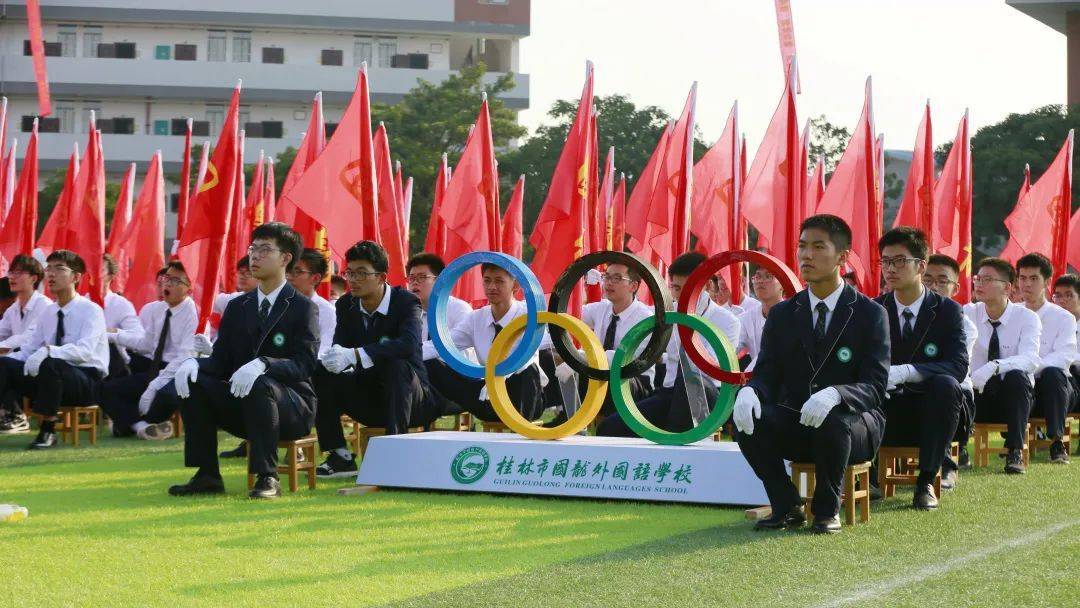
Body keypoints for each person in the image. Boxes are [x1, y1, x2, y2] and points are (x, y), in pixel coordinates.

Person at [733, 215, 889, 534]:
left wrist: (837, 394)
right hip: (799, 419)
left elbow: (874, 386)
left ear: (842, 257)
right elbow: (767, 372)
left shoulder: (870, 314)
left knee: (833, 419)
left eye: (818, 247)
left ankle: (826, 510)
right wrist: (751, 391)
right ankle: (786, 505)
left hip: (853, 423)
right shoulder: (783, 313)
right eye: (802, 246)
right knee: (746, 418)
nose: (806, 255)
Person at [164, 222, 318, 499]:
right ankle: (207, 474)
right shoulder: (238, 307)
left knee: (261, 383)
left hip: (292, 406)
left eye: (264, 250)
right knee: (195, 382)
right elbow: (222, 361)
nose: (254, 256)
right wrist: (193, 364)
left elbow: (304, 364)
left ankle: (267, 477)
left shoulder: (302, 308)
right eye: (253, 249)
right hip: (244, 403)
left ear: (285, 258)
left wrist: (264, 364)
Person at [313, 241, 442, 477]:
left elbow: (408, 344)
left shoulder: (406, 302)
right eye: (349, 272)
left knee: (396, 365)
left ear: (382, 277)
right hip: (367, 397)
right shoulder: (346, 304)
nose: (353, 279)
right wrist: (336, 357)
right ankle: (339, 455)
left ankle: (395, 453)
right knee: (321, 370)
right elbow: (342, 345)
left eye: (361, 273)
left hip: (410, 399)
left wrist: (358, 354)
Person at [597, 252, 740, 437]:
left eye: (687, 288)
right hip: (669, 394)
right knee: (610, 428)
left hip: (707, 393)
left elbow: (709, 368)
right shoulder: (666, 314)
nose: (680, 295)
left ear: (706, 284)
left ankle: (673, 445)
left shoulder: (728, 321)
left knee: (689, 380)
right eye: (676, 288)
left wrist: (688, 322)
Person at [874, 227, 968, 509]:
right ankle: (863, 475)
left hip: (931, 412)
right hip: (885, 410)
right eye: (885, 261)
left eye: (900, 261)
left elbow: (958, 365)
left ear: (921, 265)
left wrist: (907, 371)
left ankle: (926, 480)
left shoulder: (947, 310)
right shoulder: (873, 310)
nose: (891, 269)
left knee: (947, 385)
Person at [0, 250, 109, 450]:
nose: (51, 274)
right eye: (48, 268)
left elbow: (84, 352)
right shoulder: (48, 312)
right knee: (5, 365)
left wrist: (49, 350)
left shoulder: (91, 311)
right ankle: (9, 414)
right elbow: (29, 350)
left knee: (52, 362)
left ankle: (48, 430)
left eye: (59, 269)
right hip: (51, 379)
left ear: (76, 277)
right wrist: (9, 361)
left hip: (85, 381)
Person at [433, 263, 546, 425]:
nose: (492, 287)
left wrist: (500, 376)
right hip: (487, 396)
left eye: (499, 281)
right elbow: (443, 344)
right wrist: (410, 352)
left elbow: (536, 347)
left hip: (522, 398)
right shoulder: (476, 318)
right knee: (431, 364)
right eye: (487, 281)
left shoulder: (530, 314)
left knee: (527, 368)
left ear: (515, 285)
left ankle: (519, 436)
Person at [100, 261, 198, 440]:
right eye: (167, 278)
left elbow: (184, 357)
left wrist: (154, 386)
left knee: (166, 396)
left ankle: (129, 424)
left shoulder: (195, 313)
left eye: (175, 281)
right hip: (155, 368)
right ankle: (141, 426)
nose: (167, 284)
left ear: (189, 288)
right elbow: (146, 344)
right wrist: (114, 335)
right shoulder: (157, 309)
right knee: (103, 389)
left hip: (180, 371)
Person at [966, 257, 1041, 474]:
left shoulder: (1027, 318)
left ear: (1008, 287)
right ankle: (958, 450)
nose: (979, 284)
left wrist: (993, 367)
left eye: (987, 279)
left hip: (1015, 401)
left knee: (1017, 376)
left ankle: (1014, 451)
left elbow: (1031, 359)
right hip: (978, 396)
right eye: (978, 278)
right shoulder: (968, 313)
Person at [1016, 253, 1075, 464]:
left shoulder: (1063, 317)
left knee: (1053, 373)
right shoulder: (1012, 314)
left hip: (1055, 387)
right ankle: (1013, 444)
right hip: (1022, 384)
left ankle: (1056, 442)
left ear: (1047, 282)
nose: (1027, 284)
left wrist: (1029, 365)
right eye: (1022, 278)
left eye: (1034, 279)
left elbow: (1063, 356)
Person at [923, 254, 978, 473]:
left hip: (952, 394)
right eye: (927, 279)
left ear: (955, 288)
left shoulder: (965, 325)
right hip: (913, 388)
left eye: (942, 281)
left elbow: (956, 369)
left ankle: (944, 464)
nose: (934, 286)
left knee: (945, 387)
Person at [405, 253, 474, 416]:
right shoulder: (407, 312)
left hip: (458, 386)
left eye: (422, 277)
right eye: (411, 278)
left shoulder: (460, 310)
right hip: (422, 387)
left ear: (440, 280)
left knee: (429, 363)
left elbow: (447, 348)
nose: (415, 282)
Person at [0, 255, 52, 433]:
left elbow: (29, 338)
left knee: (4, 363)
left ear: (34, 278)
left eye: (19, 272)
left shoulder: (44, 305)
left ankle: (17, 414)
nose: (11, 277)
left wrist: (2, 348)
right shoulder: (13, 309)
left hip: (40, 365)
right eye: (11, 272)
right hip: (17, 360)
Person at [287, 248, 336, 359]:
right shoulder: (278, 304)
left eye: (297, 272)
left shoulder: (327, 311)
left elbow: (324, 350)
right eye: (288, 270)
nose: (289, 277)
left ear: (315, 278)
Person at [737, 266, 785, 372]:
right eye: (757, 277)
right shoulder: (746, 318)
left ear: (782, 284)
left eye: (768, 277)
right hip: (758, 382)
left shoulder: (793, 315)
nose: (760, 281)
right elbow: (731, 349)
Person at [102, 254, 141, 379]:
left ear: (110, 277)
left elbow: (138, 336)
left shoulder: (120, 304)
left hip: (112, 365)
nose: (94, 274)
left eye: (100, 270)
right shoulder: (81, 302)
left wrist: (111, 333)